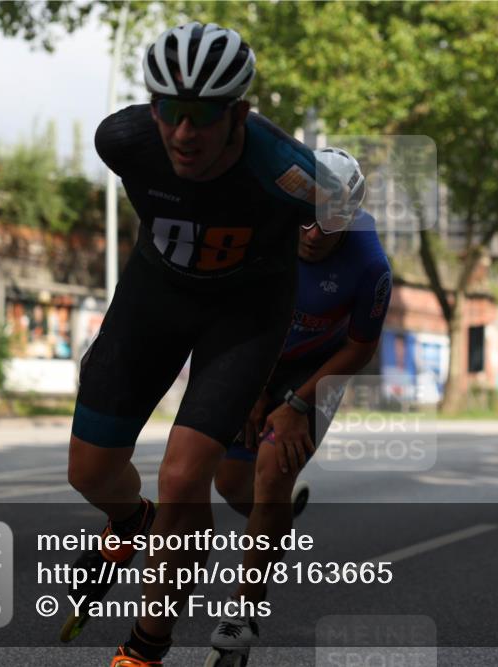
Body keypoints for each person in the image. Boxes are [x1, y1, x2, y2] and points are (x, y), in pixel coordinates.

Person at [63, 21, 321, 667]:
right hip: (154, 299)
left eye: (203, 115)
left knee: (183, 479)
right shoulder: (122, 139)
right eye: (169, 110)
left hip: (244, 316)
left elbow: (331, 255)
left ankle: (146, 644)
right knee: (89, 472)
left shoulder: (291, 174)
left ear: (239, 113)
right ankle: (132, 519)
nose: (183, 132)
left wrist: (281, 381)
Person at [206, 147, 393, 661]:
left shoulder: (370, 264)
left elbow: (360, 348)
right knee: (231, 484)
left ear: (349, 219)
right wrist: (254, 388)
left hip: (319, 370)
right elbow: (243, 318)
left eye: (328, 224)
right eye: (305, 218)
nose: (312, 234)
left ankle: (242, 617)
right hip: (262, 351)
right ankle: (277, 520)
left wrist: (294, 405)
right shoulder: (267, 230)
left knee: (271, 469)